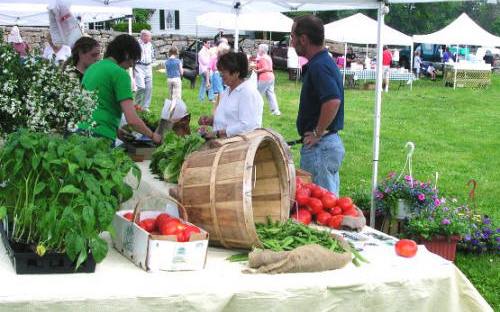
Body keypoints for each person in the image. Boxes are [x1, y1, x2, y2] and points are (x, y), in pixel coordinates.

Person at [291, 15, 345, 196]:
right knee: (327, 204)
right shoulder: (322, 62)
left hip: (320, 147)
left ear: (303, 39)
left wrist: (317, 133)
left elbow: (332, 100)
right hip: (324, 146)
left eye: (293, 37)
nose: (291, 42)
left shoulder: (319, 66)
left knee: (324, 210)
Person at [79, 34, 162, 145]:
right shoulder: (120, 74)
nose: (131, 65)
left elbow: (99, 104)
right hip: (100, 136)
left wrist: (116, 131)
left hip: (80, 131)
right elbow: (132, 120)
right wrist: (153, 136)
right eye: (133, 60)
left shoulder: (92, 68)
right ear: (127, 55)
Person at [198, 52, 263, 139]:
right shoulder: (227, 91)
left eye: (223, 72)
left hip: (237, 147)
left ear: (236, 73)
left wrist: (218, 133)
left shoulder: (248, 93)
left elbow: (248, 126)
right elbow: (228, 118)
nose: (221, 76)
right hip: (221, 144)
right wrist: (211, 121)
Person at [255, 43, 281, 116]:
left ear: (262, 50)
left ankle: (256, 110)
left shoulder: (263, 58)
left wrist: (257, 71)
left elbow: (265, 68)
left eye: (259, 49)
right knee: (270, 94)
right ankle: (275, 110)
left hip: (264, 77)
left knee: (258, 94)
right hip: (271, 76)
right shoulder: (267, 57)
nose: (258, 50)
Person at [135, 29, 155, 111]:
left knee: (149, 87)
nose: (151, 38)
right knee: (141, 87)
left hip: (148, 67)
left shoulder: (150, 44)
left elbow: (153, 54)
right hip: (139, 66)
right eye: (149, 36)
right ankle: (137, 105)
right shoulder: (137, 44)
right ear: (144, 36)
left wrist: (152, 61)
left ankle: (146, 107)